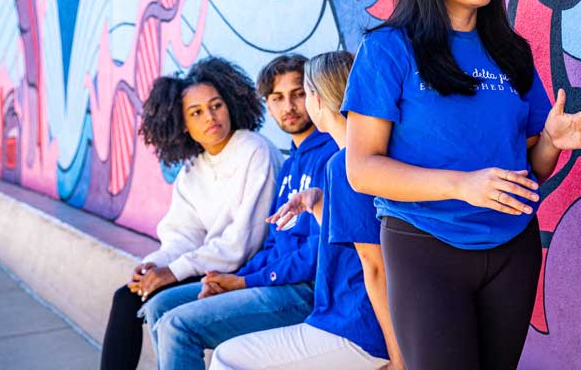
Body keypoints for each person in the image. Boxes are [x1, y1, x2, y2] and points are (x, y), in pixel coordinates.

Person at [343, 0, 581, 370]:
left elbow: (532, 168)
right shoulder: (388, 50)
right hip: (424, 246)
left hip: (512, 250)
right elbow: (361, 169)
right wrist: (462, 185)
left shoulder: (510, 52)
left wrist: (551, 142)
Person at [138, 54, 338, 369]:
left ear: (315, 97)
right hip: (274, 282)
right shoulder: (290, 165)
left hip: (304, 293)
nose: (289, 106)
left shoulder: (330, 156)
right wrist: (230, 278)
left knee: (178, 327)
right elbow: (273, 244)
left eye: (298, 94)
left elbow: (319, 252)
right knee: (158, 306)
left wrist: (245, 282)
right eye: (277, 98)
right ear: (268, 106)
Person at [209, 51, 402, 370]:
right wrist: (318, 203)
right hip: (345, 321)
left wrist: (399, 359)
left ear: (317, 99)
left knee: (226, 358)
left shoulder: (344, 165)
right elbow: (356, 243)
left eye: (302, 92)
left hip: (356, 330)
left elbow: (376, 266)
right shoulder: (358, 161)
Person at [100, 56, 282, 370]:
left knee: (155, 307)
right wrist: (154, 264)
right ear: (183, 124)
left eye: (216, 105)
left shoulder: (254, 150)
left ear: (230, 104)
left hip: (248, 269)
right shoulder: (192, 169)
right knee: (128, 296)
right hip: (212, 264)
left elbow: (242, 244)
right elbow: (183, 235)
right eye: (196, 112)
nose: (210, 117)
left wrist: (173, 272)